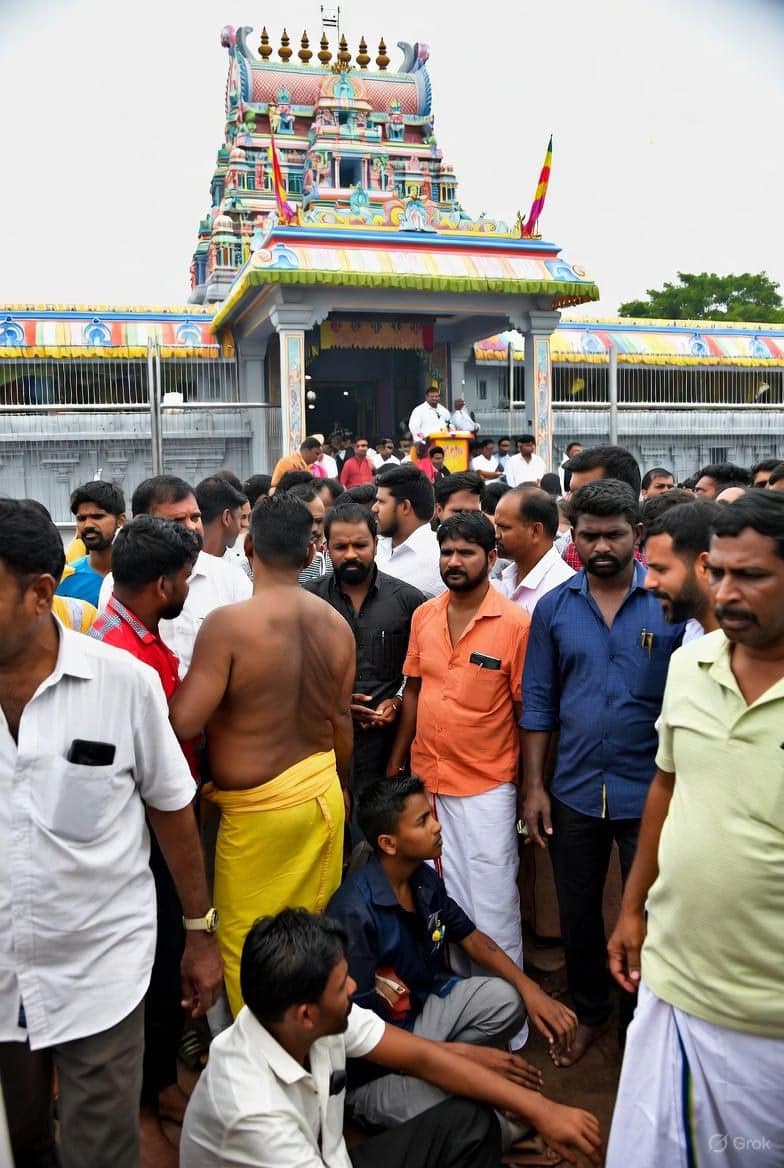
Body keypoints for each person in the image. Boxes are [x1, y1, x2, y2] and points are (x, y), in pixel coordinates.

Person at [0, 499, 222, 1168]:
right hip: (4, 977)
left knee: (101, 1148)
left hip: (101, 970)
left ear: (41, 593)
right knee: (24, 1144)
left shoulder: (123, 684)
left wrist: (199, 935)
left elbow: (173, 809)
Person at [606, 492, 784, 1168]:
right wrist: (632, 908)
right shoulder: (691, 663)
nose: (727, 592)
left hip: (765, 1016)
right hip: (676, 983)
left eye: (752, 576)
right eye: (720, 572)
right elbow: (667, 784)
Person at [180, 909, 602, 1168]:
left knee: (469, 1124)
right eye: (343, 985)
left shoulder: (297, 1016)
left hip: (332, 1159)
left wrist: (542, 1110)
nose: (354, 990)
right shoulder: (253, 1112)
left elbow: (422, 1058)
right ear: (305, 1014)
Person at [169, 494, 356, 1016]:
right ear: (311, 551)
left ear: (249, 547)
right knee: (311, 943)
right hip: (322, 796)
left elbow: (184, 722)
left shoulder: (228, 625)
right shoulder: (337, 625)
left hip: (258, 817)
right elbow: (341, 721)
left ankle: (256, 1054)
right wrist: (344, 788)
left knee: (246, 946)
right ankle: (310, 1040)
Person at [521, 480, 685, 1067]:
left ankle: (640, 1025)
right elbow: (539, 702)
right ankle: (591, 1013)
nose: (601, 547)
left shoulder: (668, 605)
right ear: (575, 537)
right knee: (578, 911)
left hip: (653, 792)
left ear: (636, 535)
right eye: (588, 535)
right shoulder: (554, 608)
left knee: (653, 911)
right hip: (573, 789)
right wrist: (534, 787)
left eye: (613, 535)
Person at [329, 778, 579, 1142]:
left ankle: (454, 1078)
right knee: (482, 1121)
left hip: (421, 1019)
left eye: (431, 816)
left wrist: (532, 991)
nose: (437, 826)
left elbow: (472, 938)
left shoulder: (422, 878)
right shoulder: (354, 914)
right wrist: (463, 1059)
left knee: (509, 1001)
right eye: (422, 821)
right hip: (375, 1068)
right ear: (388, 843)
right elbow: (363, 1038)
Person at [386, 514, 531, 1045]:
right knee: (436, 902)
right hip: (427, 779)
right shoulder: (425, 615)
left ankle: (507, 1026)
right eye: (446, 552)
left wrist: (529, 788)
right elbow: (414, 691)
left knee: (491, 902)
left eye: (466, 552)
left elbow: (526, 711)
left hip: (487, 785)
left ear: (491, 558)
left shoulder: (515, 624)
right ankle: (459, 1018)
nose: (453, 562)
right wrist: (398, 762)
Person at [88, 516, 202, 1163]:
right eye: (184, 577)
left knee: (162, 972)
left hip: (153, 833)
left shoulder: (136, 637)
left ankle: (159, 1085)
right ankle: (139, 1109)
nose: (187, 587)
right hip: (140, 840)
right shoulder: (122, 659)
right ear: (163, 584)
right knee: (149, 973)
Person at [306, 505, 424, 803]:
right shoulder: (306, 600)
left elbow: (421, 672)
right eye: (340, 547)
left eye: (360, 545)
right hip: (321, 751)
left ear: (375, 543)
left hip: (388, 751)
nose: (350, 554)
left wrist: (397, 701)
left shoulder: (408, 601)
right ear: (325, 547)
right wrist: (336, 705)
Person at [98, 475, 252, 676]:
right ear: (142, 524)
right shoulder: (117, 585)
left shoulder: (232, 580)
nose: (192, 527)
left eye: (195, 517)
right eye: (177, 520)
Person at [643, 501, 721, 642]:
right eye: (649, 569)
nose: (648, 583)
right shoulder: (693, 634)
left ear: (705, 566)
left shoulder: (745, 649)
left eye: (661, 570)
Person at [493, 487, 574, 614]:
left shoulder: (564, 590)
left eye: (504, 527)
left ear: (535, 531)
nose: (496, 535)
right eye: (496, 526)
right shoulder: (502, 579)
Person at [559, 444, 642, 569]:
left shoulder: (658, 566)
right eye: (571, 492)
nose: (569, 500)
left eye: (583, 492)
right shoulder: (561, 552)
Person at [373, 465, 444, 598]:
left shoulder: (440, 558)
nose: (374, 508)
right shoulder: (374, 547)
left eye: (381, 502)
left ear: (405, 506)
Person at [56, 480, 126, 607]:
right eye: (81, 518)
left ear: (120, 521)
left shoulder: (141, 576)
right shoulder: (65, 580)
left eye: (97, 517)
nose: (87, 525)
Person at [195, 475, 246, 559]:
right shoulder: (238, 565)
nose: (243, 525)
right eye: (240, 518)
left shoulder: (183, 562)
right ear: (226, 518)